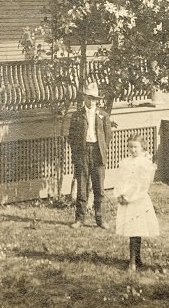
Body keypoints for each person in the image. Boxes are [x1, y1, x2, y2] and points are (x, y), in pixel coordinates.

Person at [67, 80, 113, 228]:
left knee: (99, 186)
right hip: (83, 152)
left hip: (97, 152)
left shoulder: (103, 115)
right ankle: (80, 218)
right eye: (88, 97)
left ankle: (100, 219)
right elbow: (72, 137)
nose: (91, 101)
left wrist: (102, 150)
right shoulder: (77, 116)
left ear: (97, 100)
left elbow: (107, 136)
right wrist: (76, 154)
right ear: (84, 98)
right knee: (82, 185)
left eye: (94, 98)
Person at [115, 135, 159, 271]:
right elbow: (120, 180)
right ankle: (136, 258)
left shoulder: (145, 163)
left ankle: (133, 261)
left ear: (142, 147)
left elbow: (143, 185)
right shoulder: (125, 162)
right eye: (131, 147)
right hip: (126, 199)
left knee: (136, 230)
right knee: (131, 230)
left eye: (136, 147)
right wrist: (119, 195)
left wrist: (130, 197)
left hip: (138, 200)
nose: (133, 150)